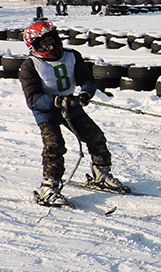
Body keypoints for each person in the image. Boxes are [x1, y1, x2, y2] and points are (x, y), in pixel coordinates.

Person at [19, 20, 128, 206]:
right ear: (36, 45)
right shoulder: (30, 66)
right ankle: (49, 187)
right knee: (55, 146)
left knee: (95, 136)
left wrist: (85, 93)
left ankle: (101, 174)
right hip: (47, 111)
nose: (51, 44)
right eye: (45, 42)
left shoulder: (72, 56)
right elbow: (33, 99)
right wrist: (57, 101)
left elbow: (87, 80)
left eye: (52, 38)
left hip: (71, 105)